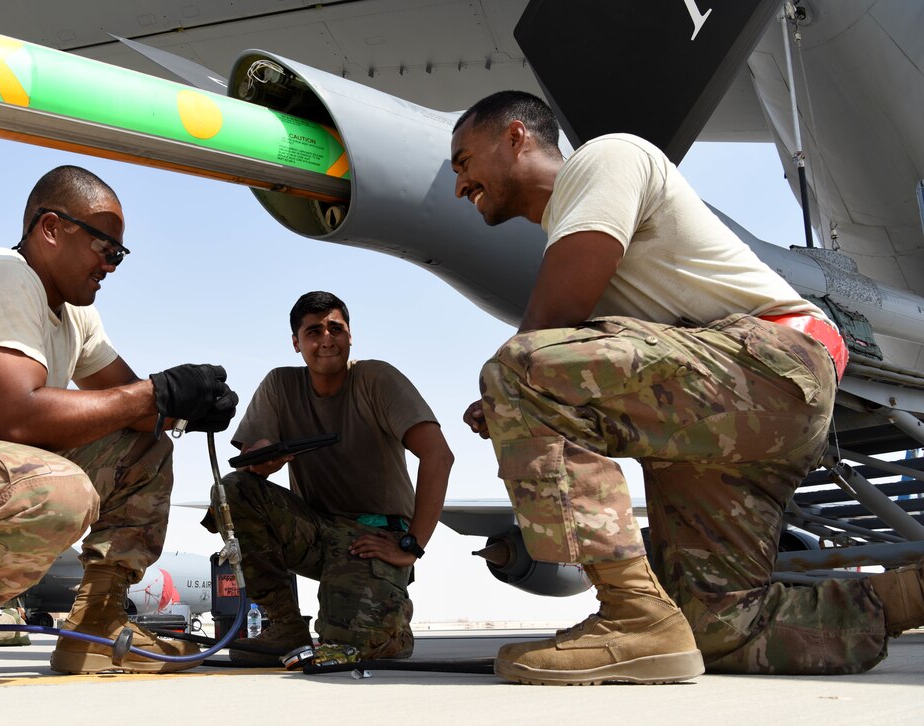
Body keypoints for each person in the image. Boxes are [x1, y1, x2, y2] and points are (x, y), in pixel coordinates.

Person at [450, 91, 924, 685]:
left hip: (772, 364)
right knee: (716, 628)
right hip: (735, 415)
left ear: (516, 136)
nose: (460, 184)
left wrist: (509, 388)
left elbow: (552, 322)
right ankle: (909, 596)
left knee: (519, 367)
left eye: (464, 161)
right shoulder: (574, 221)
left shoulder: (605, 160)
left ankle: (631, 615)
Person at [0, 166, 238, 682]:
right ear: (51, 229)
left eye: (120, 254)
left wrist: (185, 404)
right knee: (57, 491)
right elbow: (16, 417)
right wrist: (156, 392)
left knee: (146, 445)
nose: (112, 265)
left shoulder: (75, 314)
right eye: (106, 248)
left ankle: (96, 624)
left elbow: (133, 411)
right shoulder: (0, 275)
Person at [204, 291, 454, 665]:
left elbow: (439, 456)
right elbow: (248, 463)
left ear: (350, 335)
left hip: (374, 534)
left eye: (335, 328)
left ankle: (392, 628)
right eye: (313, 331)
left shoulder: (376, 378)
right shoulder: (280, 385)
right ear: (296, 342)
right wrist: (262, 461)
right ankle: (285, 624)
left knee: (351, 649)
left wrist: (411, 545)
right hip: (316, 531)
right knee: (232, 490)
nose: (326, 340)